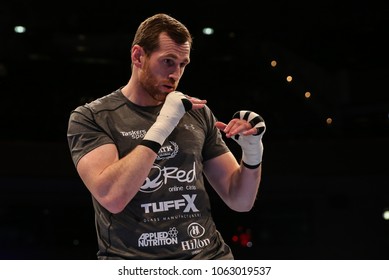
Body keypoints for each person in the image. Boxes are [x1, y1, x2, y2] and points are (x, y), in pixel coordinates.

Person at [67, 13, 266, 260]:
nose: (176, 74)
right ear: (138, 56)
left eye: (183, 64)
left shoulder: (197, 113)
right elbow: (112, 197)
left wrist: (252, 152)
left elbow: (241, 200)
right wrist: (164, 123)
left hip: (208, 258)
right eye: (168, 61)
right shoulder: (92, 117)